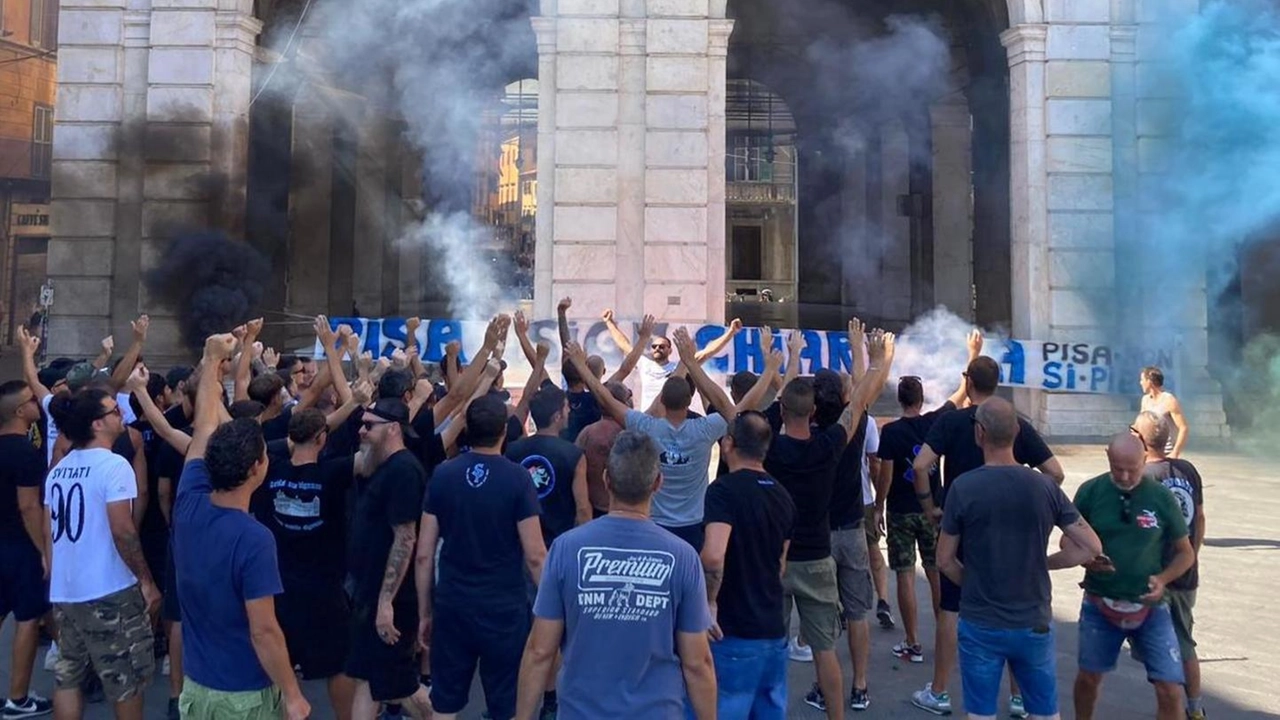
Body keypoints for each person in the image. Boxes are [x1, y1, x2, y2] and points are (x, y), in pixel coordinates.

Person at [513, 431, 716, 720]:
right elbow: (698, 662)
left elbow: (539, 651)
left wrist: (522, 717)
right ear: (658, 483)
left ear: (607, 480)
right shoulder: (683, 557)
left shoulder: (565, 549)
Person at [911, 355, 1065, 717]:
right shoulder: (1015, 424)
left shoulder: (951, 422)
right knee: (1011, 610)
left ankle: (939, 691)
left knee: (951, 608)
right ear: (998, 383)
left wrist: (930, 506)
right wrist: (1025, 490)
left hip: (961, 524)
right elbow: (1055, 473)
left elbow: (920, 466)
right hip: (1007, 529)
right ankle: (1016, 697)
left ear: (968, 380)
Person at [936, 398, 1104, 720]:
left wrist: (973, 586)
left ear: (979, 433)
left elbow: (944, 560)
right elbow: (1090, 546)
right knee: (1043, 712)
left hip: (981, 620)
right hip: (1033, 619)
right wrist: (1047, 563)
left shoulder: (963, 488)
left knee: (981, 713)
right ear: (1017, 432)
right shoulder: (1045, 487)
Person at [171, 334, 309, 720]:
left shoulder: (188, 502)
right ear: (255, 469)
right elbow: (263, 631)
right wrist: (293, 694)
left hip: (197, 688)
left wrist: (211, 359)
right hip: (245, 695)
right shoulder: (254, 538)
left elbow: (202, 430)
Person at [565, 327, 772, 552]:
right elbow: (732, 408)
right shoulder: (706, 428)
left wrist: (581, 366)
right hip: (693, 525)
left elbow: (607, 400)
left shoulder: (647, 426)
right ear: (688, 401)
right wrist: (691, 363)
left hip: (654, 524)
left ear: (661, 400)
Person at [778, 329, 894, 718]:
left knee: (820, 621)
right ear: (843, 399)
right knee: (858, 611)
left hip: (817, 537)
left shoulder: (811, 435)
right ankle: (859, 684)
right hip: (851, 529)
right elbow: (863, 392)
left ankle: (819, 684)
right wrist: (875, 356)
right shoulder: (855, 425)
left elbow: (855, 391)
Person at [415, 394, 547, 720]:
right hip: (503, 608)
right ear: (504, 430)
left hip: (453, 603)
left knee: (444, 703)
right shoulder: (518, 478)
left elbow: (424, 554)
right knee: (506, 705)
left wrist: (424, 612)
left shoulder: (443, 474)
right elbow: (534, 555)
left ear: (466, 429)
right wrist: (550, 609)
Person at [44, 388, 160, 720]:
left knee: (69, 675)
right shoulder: (114, 466)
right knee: (126, 679)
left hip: (66, 591)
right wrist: (145, 580)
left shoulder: (58, 471)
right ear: (97, 424)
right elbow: (123, 529)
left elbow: (50, 530)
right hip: (108, 589)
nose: (120, 414)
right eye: (113, 411)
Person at [1070, 434, 1196, 720]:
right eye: (1117, 468)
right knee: (1089, 679)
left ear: (1144, 460)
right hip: (1100, 602)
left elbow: (1185, 553)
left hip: (1151, 607)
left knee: (1170, 689)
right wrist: (1086, 559)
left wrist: (1163, 579)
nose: (1125, 476)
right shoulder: (1091, 491)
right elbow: (1069, 541)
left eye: (1132, 468)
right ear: (1107, 458)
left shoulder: (1161, 496)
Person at [876, 330, 981, 665]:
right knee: (938, 571)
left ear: (900, 399)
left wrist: (879, 505)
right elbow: (964, 390)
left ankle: (912, 641)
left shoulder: (890, 432)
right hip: (933, 509)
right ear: (921, 400)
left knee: (905, 574)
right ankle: (943, 632)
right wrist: (973, 354)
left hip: (901, 511)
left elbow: (886, 474)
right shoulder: (938, 421)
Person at [253, 408, 362, 720]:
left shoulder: (270, 470)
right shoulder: (334, 472)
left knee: (281, 667)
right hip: (325, 590)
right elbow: (372, 457)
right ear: (322, 439)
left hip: (279, 588)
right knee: (338, 665)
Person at [700, 411, 796, 719]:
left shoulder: (723, 491)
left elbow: (714, 556)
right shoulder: (783, 496)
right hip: (773, 629)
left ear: (728, 443)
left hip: (733, 630)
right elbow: (780, 565)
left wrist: (709, 602)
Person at [346, 399, 432, 720]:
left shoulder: (404, 471)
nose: (362, 431)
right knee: (369, 680)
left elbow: (405, 538)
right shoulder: (381, 466)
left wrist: (386, 603)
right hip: (370, 593)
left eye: (369, 426)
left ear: (393, 429)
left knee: (401, 687)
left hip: (392, 600)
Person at [1132, 411, 1207, 720]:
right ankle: (1191, 707)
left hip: (1158, 575)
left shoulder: (1144, 477)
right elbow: (1199, 518)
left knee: (1175, 645)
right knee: (1182, 638)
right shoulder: (1187, 470)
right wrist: (1192, 554)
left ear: (1139, 439)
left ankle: (1187, 708)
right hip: (1186, 571)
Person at [0, 380, 53, 718]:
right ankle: (17, 699)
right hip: (20, 548)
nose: (38, 403)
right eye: (33, 399)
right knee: (28, 619)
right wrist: (44, 550)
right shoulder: (25, 453)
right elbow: (29, 507)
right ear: (21, 411)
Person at [601, 309, 741, 411]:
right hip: (648, 417)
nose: (657, 349)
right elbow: (625, 346)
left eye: (662, 346)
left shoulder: (679, 367)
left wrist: (731, 333)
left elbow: (706, 353)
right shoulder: (645, 363)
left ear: (670, 350)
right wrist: (609, 323)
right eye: (654, 346)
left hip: (671, 419)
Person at [505, 386, 591, 545]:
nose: (569, 411)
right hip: (559, 542)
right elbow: (583, 509)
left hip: (520, 542)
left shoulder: (512, 450)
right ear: (557, 416)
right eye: (566, 407)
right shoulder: (574, 455)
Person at [574, 381, 632, 517]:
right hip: (626, 510)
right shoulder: (633, 431)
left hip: (594, 508)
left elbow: (574, 471)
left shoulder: (587, 434)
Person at [1139, 367, 1189, 459]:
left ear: (1149, 381)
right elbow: (1140, 426)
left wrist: (1175, 452)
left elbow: (1183, 428)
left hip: (1165, 454)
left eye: (1142, 380)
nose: (1140, 383)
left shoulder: (1169, 400)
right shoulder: (1145, 400)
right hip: (1148, 453)